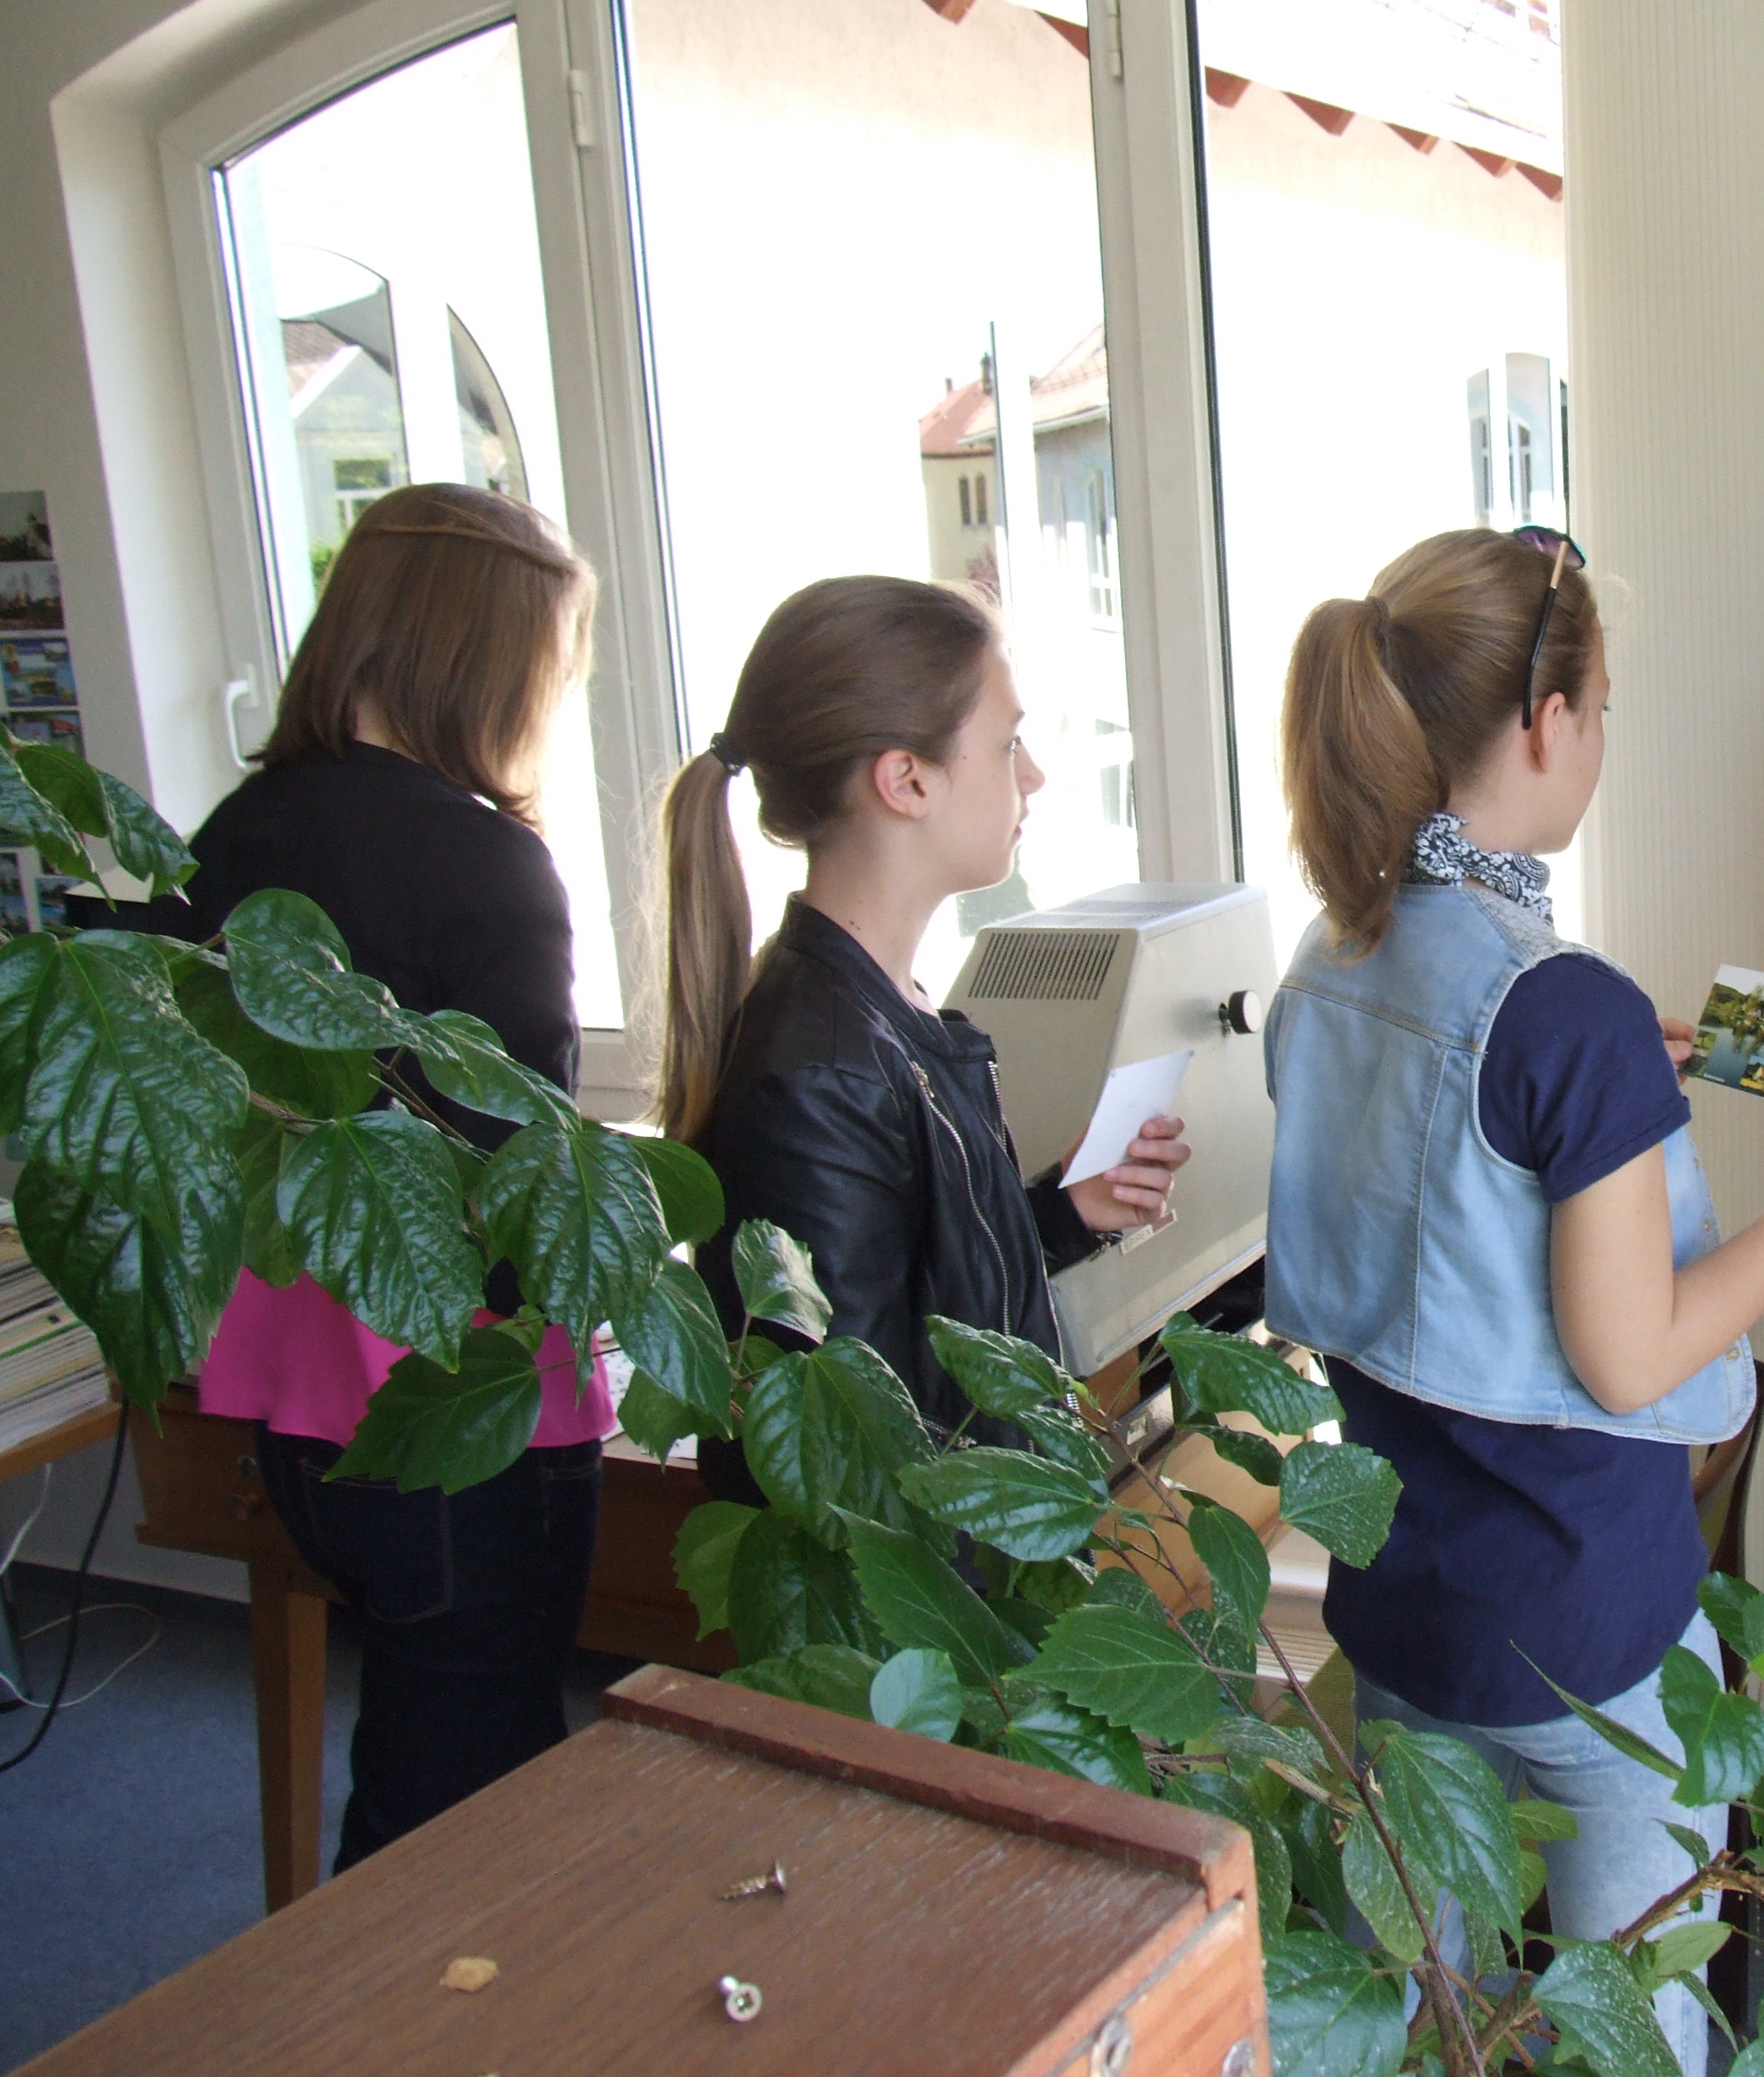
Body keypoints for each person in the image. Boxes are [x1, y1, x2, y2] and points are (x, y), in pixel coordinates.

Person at [1263, 527, 1764, 2077]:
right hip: (1584, 1634)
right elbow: (1631, 1357)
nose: (1603, 735)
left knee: (1427, 2024)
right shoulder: (1564, 1014)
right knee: (1637, 2041)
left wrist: (1612, 1091)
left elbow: (1436, 1224)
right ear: (1546, 723)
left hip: (1401, 1615)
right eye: (1602, 706)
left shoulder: (1327, 963)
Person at [174, 483, 605, 1867]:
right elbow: (517, 1180)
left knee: (420, 1749)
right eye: (550, 667)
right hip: (458, 1412)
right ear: (479, 658)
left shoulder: (230, 833)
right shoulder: (484, 863)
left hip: (297, 1405)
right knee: (467, 1801)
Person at [659, 576, 1186, 1487]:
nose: (1033, 775)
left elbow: (920, 1302)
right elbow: (860, 1459)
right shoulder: (821, 1074)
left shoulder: (884, 1012)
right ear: (906, 780)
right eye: (1008, 744)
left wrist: (1062, 1214)